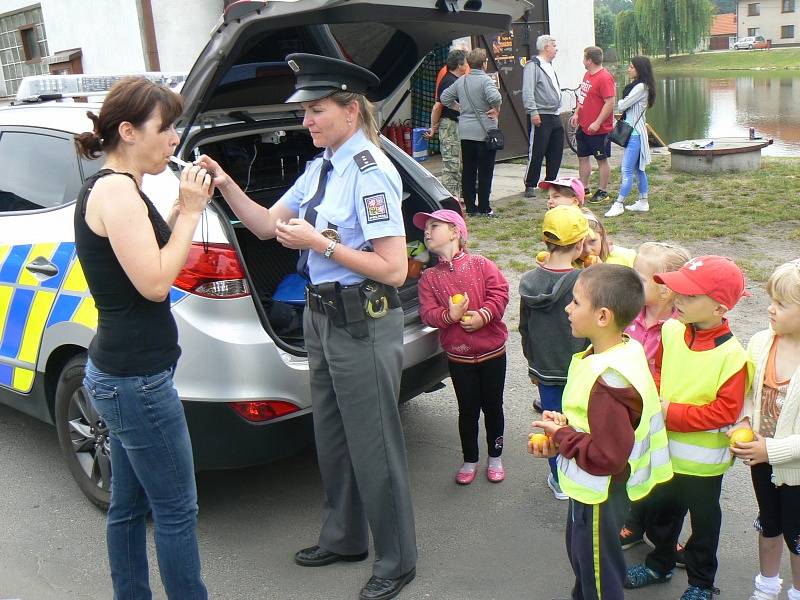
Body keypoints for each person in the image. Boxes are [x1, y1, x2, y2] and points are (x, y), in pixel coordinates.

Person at [198, 54, 417, 600]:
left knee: (375, 445)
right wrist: (225, 182)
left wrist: (324, 246)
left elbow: (394, 269)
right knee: (334, 437)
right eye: (304, 111)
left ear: (350, 110)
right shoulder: (322, 164)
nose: (306, 121)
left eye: (316, 110)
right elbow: (266, 225)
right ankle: (344, 537)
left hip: (361, 320)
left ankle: (396, 560)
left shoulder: (371, 172)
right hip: (320, 317)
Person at [73, 77, 211, 599]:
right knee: (176, 510)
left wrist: (181, 206)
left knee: (129, 507)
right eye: (166, 127)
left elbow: (146, 254)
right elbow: (154, 283)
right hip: (137, 382)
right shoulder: (116, 191)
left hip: (121, 374)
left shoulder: (118, 187)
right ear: (128, 132)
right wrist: (193, 214)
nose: (174, 138)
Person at [529, 263, 673, 600]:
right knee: (587, 561)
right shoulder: (624, 349)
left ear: (603, 316)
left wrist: (562, 437)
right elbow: (598, 425)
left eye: (576, 302)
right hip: (599, 489)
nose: (568, 308)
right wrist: (564, 428)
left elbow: (608, 456)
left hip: (600, 493)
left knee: (596, 571)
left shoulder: (607, 380)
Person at [625, 255, 753, 600]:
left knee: (704, 526)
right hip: (665, 452)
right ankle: (660, 563)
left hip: (703, 466)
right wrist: (652, 395)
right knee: (661, 517)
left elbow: (724, 411)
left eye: (689, 296)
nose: (677, 300)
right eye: (678, 292)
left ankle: (700, 583)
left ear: (719, 308)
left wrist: (670, 413)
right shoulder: (671, 330)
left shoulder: (733, 356)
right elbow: (659, 371)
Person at [415, 209, 509, 484]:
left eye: (434, 226)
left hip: (493, 353)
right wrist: (450, 317)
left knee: (493, 406)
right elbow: (427, 313)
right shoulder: (429, 278)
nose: (427, 232)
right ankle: (470, 459)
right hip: (459, 358)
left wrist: (484, 315)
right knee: (467, 410)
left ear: (455, 232)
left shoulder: (480, 264)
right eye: (425, 229)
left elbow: (500, 293)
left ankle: (495, 455)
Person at [730, 260, 800, 600]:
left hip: (795, 470)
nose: (769, 309)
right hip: (760, 459)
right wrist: (744, 421)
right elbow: (746, 393)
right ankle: (766, 586)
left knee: (798, 536)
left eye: (781, 304)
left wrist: (770, 450)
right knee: (768, 523)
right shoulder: (760, 342)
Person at [618, 242, 691, 550]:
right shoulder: (629, 313)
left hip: (662, 415)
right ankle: (633, 523)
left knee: (664, 479)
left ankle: (663, 539)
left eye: (641, 278)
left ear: (666, 290)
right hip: (629, 410)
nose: (632, 282)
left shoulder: (681, 326)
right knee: (633, 469)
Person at [519, 205, 592, 499]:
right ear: (579, 244)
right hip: (578, 369)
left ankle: (558, 480)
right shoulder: (583, 281)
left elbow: (524, 327)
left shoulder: (528, 281)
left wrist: (532, 364)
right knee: (577, 423)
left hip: (544, 369)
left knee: (551, 425)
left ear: (545, 241)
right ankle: (580, 474)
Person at [441, 48, 502, 217]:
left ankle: (471, 207)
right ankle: (484, 207)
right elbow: (496, 98)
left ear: (468, 64)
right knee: (485, 170)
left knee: (468, 169)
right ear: (484, 64)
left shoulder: (461, 81)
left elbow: (445, 97)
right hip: (484, 131)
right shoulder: (486, 80)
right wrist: (495, 109)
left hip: (466, 131)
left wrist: (460, 108)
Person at [605, 56, 657, 218]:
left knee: (626, 169)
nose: (628, 69)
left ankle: (619, 204)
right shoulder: (642, 86)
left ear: (639, 69)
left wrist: (622, 99)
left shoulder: (641, 87)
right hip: (636, 131)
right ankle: (643, 201)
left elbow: (621, 105)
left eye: (631, 67)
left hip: (634, 134)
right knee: (637, 169)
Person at [571, 46, 616, 204]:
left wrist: (597, 122)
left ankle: (603, 191)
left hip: (599, 130)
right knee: (582, 157)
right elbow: (582, 97)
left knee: (601, 159)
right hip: (584, 126)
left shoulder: (604, 78)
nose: (583, 61)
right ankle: (583, 188)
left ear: (589, 60)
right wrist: (577, 113)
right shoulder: (587, 75)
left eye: (584, 58)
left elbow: (610, 102)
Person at [522, 35, 564, 199]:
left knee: (556, 150)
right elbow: (528, 91)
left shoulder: (549, 65)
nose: (556, 48)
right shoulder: (533, 65)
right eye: (554, 45)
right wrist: (533, 111)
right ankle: (530, 184)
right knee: (537, 150)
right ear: (546, 47)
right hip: (541, 114)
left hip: (555, 114)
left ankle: (551, 181)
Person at [425, 49, 467, 197]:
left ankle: (459, 197)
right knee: (451, 164)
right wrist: (433, 127)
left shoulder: (457, 80)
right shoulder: (448, 81)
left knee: (459, 163)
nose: (468, 65)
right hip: (449, 125)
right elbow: (438, 106)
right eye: (466, 62)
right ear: (460, 65)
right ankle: (449, 199)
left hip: (457, 125)